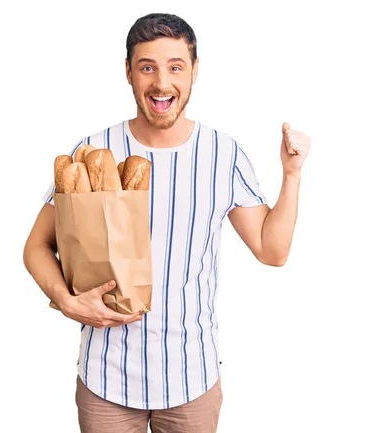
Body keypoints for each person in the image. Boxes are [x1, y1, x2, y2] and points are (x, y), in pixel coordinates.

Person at [23, 12, 311, 433]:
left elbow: (273, 250)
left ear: (195, 71)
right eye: (147, 67)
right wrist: (64, 300)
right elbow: (35, 246)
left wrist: (291, 175)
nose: (161, 83)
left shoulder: (223, 153)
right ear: (128, 72)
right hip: (107, 379)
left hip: (191, 381)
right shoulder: (92, 149)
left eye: (176, 66)